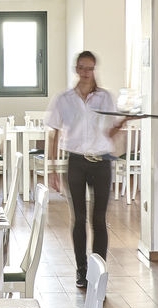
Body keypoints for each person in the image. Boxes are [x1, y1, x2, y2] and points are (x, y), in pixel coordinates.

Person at [45, 51, 128, 288]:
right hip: (76, 162)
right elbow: (54, 134)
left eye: (89, 68)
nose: (85, 73)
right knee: (79, 218)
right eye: (81, 68)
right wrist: (52, 170)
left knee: (99, 220)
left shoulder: (105, 98)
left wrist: (123, 122)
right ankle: (81, 271)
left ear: (94, 69)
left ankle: (98, 273)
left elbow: (109, 132)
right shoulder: (63, 99)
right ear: (76, 69)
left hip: (101, 163)